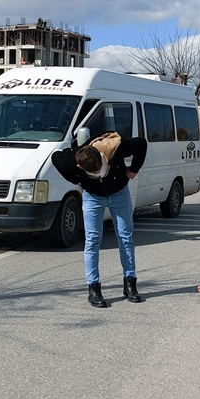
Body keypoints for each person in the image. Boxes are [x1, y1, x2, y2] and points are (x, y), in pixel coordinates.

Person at [51, 131, 148, 308]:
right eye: (94, 172)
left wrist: (133, 169)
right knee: (93, 240)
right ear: (80, 167)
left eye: (101, 167)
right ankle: (94, 289)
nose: (99, 173)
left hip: (119, 193)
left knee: (126, 237)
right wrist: (77, 179)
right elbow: (55, 158)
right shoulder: (71, 161)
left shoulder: (116, 147)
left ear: (102, 156)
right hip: (93, 197)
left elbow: (141, 143)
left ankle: (130, 284)